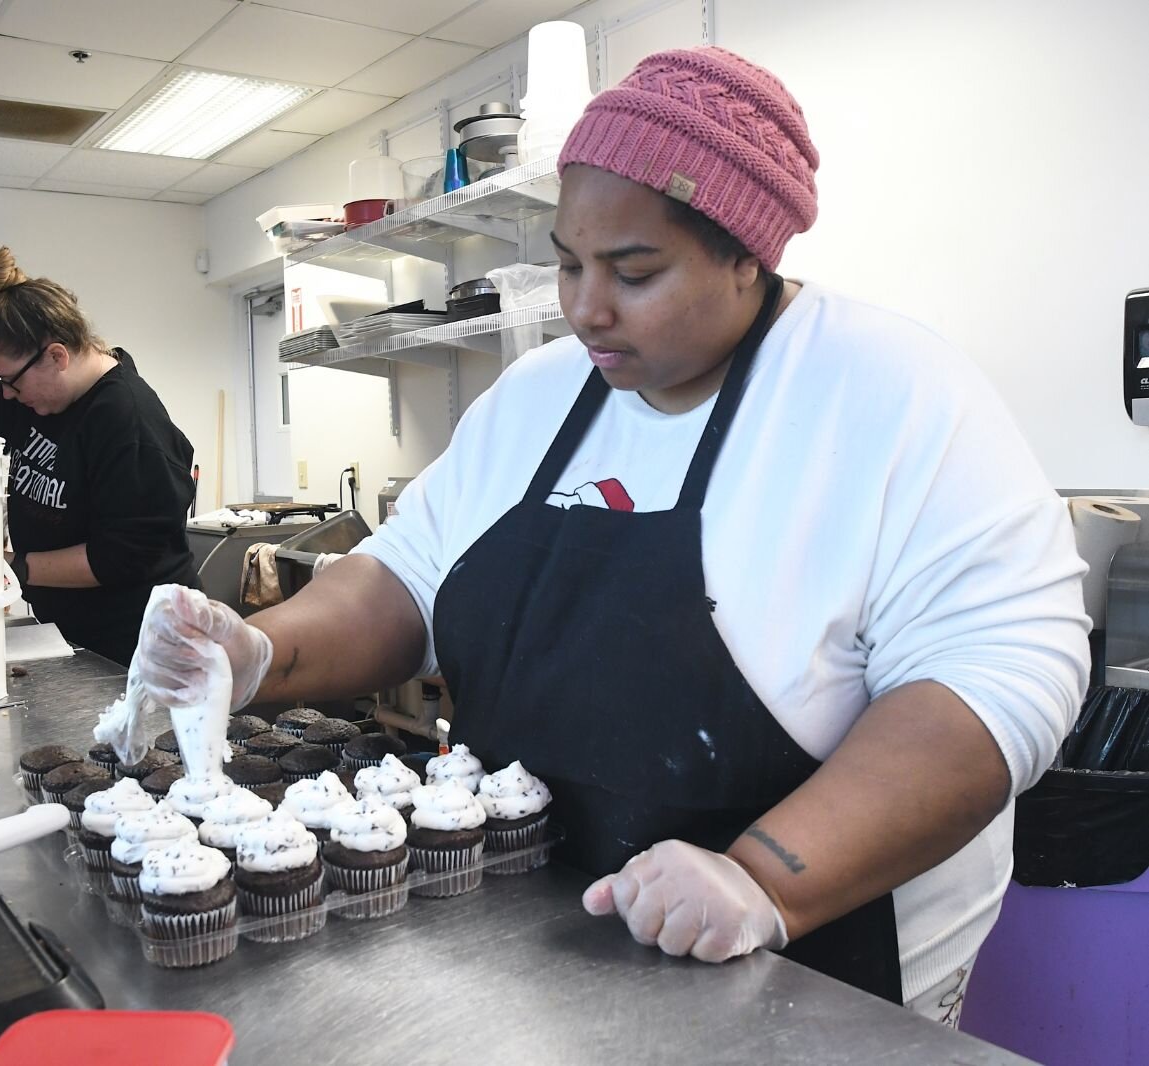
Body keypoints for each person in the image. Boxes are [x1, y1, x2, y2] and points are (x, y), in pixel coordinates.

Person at [131, 48, 1089, 1019]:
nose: (584, 308)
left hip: (814, 965)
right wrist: (261, 651)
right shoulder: (535, 400)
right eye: (566, 263)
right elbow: (410, 572)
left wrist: (764, 879)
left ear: (745, 253)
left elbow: (996, 674)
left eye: (633, 271)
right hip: (537, 941)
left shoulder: (889, 396)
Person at [0, 247, 198, 666]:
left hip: (143, 644)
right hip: (74, 633)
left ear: (56, 356)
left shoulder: (130, 423)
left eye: (10, 381)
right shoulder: (26, 390)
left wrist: (14, 568)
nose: (6, 394)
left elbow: (119, 557)